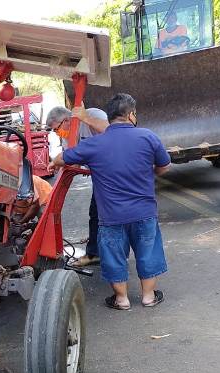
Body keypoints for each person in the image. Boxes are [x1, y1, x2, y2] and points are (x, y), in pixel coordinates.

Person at [48, 93, 171, 310]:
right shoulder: (148, 137)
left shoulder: (95, 144)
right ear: (131, 115)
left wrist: (54, 164)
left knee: (113, 257)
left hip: (111, 216)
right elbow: (164, 166)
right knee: (148, 253)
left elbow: (61, 159)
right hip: (144, 212)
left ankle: (121, 299)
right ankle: (148, 296)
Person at [45, 106, 108, 266]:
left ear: (66, 120)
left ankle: (102, 253)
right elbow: (70, 157)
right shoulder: (68, 136)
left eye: (57, 129)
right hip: (100, 175)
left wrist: (84, 117)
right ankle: (97, 252)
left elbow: (111, 132)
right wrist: (58, 163)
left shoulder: (93, 115)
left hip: (114, 172)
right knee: (96, 213)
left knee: (105, 213)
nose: (57, 133)